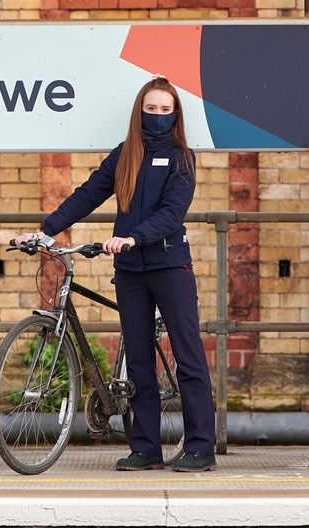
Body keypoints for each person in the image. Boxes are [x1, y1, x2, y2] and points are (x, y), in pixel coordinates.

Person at [13, 76, 217, 472]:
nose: (157, 116)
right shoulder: (125, 154)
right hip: (130, 272)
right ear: (139, 111)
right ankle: (145, 448)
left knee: (189, 357)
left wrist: (132, 237)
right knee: (138, 361)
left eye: (165, 110)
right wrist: (45, 231)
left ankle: (200, 447)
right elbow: (87, 194)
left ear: (175, 115)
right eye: (151, 108)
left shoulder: (181, 157)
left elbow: (173, 213)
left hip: (170, 265)